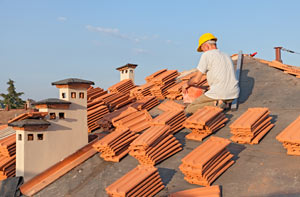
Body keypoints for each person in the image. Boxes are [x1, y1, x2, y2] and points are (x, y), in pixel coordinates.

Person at [183, 33, 239, 114]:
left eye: (202, 49)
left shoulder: (207, 55)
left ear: (206, 46)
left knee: (190, 108)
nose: (203, 51)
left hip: (220, 93)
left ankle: (216, 104)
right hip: (233, 94)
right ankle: (223, 103)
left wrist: (187, 84)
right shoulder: (226, 55)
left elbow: (196, 80)